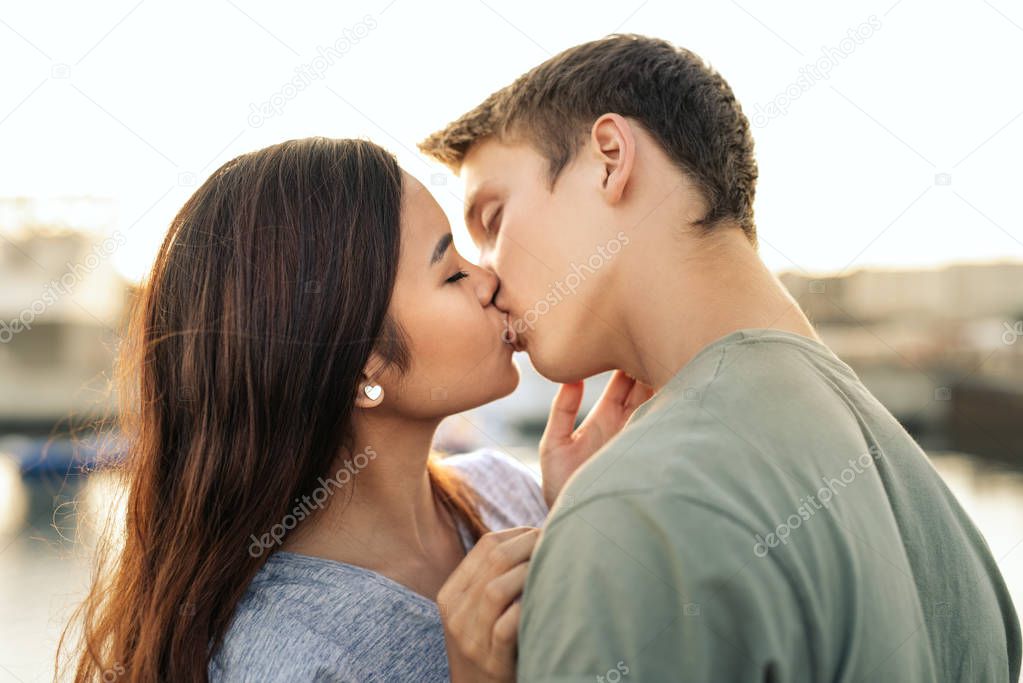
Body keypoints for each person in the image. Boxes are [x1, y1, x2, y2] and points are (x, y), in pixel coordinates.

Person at [420, 34, 1022, 681]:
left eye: (493, 217)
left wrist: (598, 538)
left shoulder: (637, 513)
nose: (486, 278)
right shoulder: (938, 514)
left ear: (609, 158)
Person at [58, 137, 651, 681]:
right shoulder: (282, 656)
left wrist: (584, 515)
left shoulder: (506, 493)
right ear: (362, 363)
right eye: (450, 272)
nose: (489, 278)